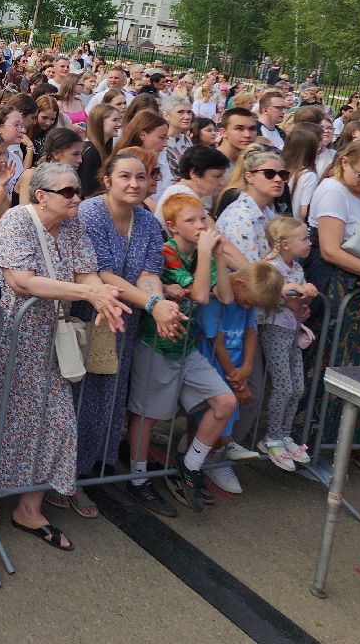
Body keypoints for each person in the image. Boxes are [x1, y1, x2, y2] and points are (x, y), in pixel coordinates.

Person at [0, 161, 126, 550]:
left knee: (57, 420)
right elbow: (21, 281)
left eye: (78, 190)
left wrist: (101, 295)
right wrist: (88, 293)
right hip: (1, 336)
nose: (76, 198)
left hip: (45, 342)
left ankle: (29, 508)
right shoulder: (17, 220)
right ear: (42, 195)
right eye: (68, 192)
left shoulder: (73, 226)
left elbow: (87, 272)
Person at [59, 151, 176, 518]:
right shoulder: (91, 213)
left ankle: (86, 470)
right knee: (77, 398)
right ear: (107, 180)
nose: (134, 184)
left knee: (106, 397)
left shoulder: (147, 221)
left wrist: (157, 304)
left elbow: (149, 271)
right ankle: (63, 477)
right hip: (87, 319)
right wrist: (153, 304)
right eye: (125, 176)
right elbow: (101, 272)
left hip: (123, 323)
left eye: (141, 177)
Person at [124, 193, 236, 517]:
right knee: (147, 415)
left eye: (203, 218)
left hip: (186, 347)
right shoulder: (167, 252)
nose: (200, 225)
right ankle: (138, 478)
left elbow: (225, 296)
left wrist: (218, 257)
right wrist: (206, 254)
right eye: (191, 220)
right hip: (157, 346)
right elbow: (201, 295)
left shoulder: (204, 254)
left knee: (224, 402)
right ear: (172, 226)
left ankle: (190, 465)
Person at [194, 261, 283, 500]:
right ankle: (222, 448)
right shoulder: (216, 300)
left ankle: (215, 453)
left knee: (230, 408)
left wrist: (246, 368)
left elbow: (251, 331)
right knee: (213, 411)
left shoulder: (247, 298)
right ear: (240, 284)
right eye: (248, 301)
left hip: (235, 368)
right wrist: (236, 374)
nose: (248, 306)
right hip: (214, 366)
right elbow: (216, 342)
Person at [258, 216, 321, 472]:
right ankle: (271, 437)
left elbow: (300, 300)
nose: (309, 242)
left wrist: (307, 293)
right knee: (283, 386)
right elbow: (272, 293)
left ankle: (284, 434)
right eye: (304, 238)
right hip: (274, 330)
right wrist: (294, 290)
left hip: (292, 331)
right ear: (285, 244)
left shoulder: (297, 268)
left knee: (297, 387)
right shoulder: (270, 266)